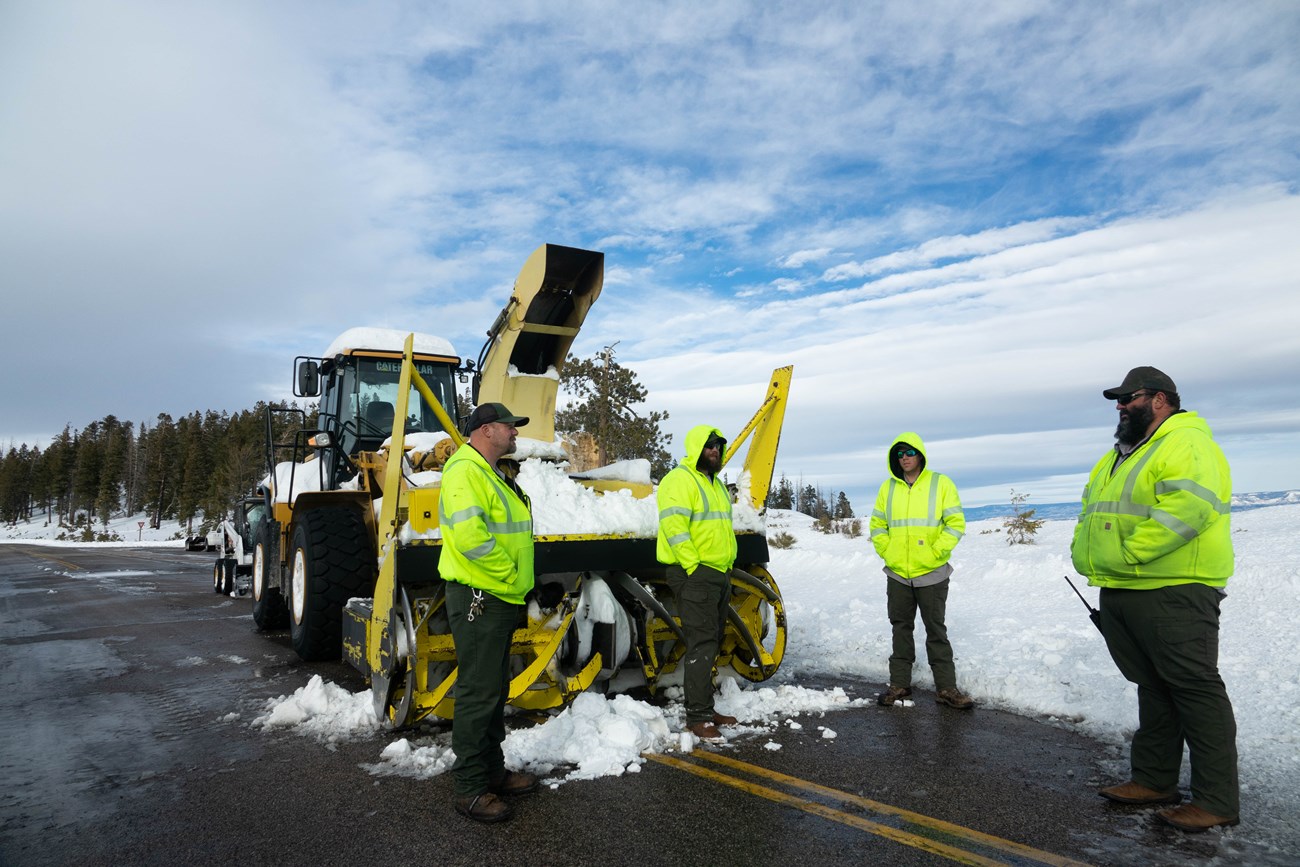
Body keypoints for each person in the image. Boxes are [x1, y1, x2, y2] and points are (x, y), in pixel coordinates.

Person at [1071, 367, 1239, 832]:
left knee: (1194, 690)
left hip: (1173, 588)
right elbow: (1094, 512)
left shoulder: (1186, 443)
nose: (1122, 406)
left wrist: (1129, 552)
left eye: (1131, 397)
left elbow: (1191, 507)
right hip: (1125, 586)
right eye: (1118, 400)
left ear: (1161, 400)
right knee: (1154, 686)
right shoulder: (1122, 454)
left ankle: (1216, 800)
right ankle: (1153, 779)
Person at [439, 402, 540, 823]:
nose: (515, 432)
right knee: (479, 692)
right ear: (485, 430)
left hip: (499, 595)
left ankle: (492, 772)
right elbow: (470, 539)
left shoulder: (488, 472)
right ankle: (469, 789)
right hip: (484, 594)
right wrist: (511, 573)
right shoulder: (464, 471)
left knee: (495, 688)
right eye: (509, 426)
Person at [869, 432, 973, 709]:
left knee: (935, 630)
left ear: (920, 455)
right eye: (900, 453)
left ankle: (947, 688)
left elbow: (955, 524)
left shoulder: (940, 483)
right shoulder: (888, 488)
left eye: (909, 452)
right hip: (898, 574)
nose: (904, 458)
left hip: (932, 573)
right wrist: (888, 552)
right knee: (900, 628)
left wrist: (935, 553)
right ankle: (900, 685)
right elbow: (878, 526)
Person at [657, 425, 741, 742]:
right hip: (695, 572)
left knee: (712, 641)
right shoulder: (679, 480)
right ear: (696, 448)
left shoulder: (715, 484)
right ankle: (698, 717)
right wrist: (693, 566)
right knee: (702, 642)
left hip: (718, 572)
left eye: (718, 446)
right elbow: (674, 527)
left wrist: (727, 565)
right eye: (709, 446)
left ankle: (705, 707)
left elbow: (721, 530)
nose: (715, 450)